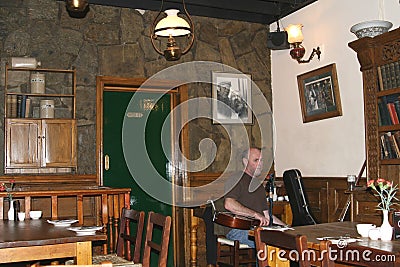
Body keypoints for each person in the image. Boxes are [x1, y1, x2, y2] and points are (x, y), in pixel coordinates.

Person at [224, 147, 285, 248]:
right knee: (272, 243)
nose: (260, 164)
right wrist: (255, 214)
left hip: (256, 228)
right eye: (256, 160)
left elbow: (266, 215)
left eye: (261, 160)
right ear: (245, 161)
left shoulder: (258, 184)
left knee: (286, 240)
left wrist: (287, 227)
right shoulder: (236, 178)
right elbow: (229, 204)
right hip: (237, 229)